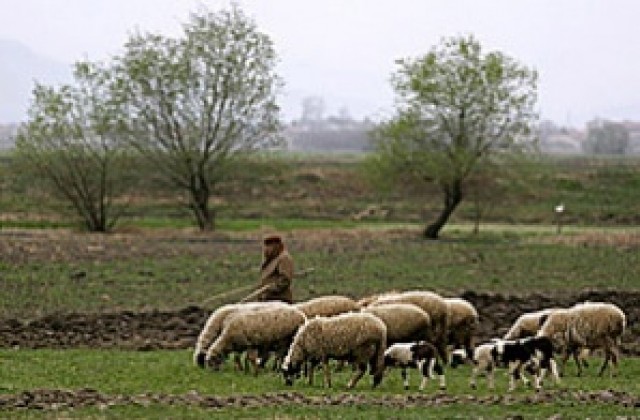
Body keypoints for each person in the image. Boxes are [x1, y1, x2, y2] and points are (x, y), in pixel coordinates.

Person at [247, 235, 294, 303]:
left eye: (269, 246)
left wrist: (269, 288)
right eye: (266, 246)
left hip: (279, 300)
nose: (266, 249)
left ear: (276, 245)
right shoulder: (271, 259)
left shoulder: (284, 258)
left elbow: (285, 279)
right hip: (268, 300)